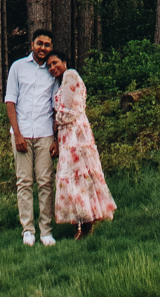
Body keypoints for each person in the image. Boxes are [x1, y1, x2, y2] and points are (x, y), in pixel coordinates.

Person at [47, 51, 116, 239]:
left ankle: (86, 222)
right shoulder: (60, 83)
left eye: (55, 63)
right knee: (74, 177)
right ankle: (85, 219)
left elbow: (69, 112)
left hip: (76, 136)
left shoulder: (71, 75)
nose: (53, 67)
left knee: (79, 176)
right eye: (50, 66)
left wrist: (55, 122)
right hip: (67, 137)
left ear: (64, 62)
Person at [4, 29, 59, 247]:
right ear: (32, 44)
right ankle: (28, 230)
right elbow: (10, 102)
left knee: (46, 182)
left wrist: (56, 139)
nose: (43, 48)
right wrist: (17, 134)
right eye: (40, 43)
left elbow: (56, 107)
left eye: (47, 44)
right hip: (22, 133)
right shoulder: (18, 67)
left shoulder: (52, 69)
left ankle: (46, 230)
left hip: (45, 133)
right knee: (24, 182)